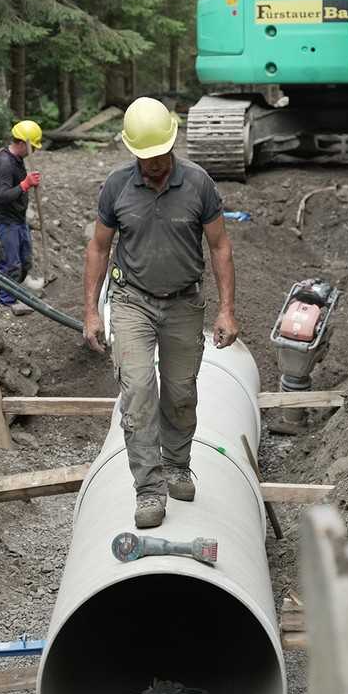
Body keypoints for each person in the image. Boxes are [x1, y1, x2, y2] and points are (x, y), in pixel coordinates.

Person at [83, 96, 239, 529]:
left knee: (181, 393)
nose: (154, 164)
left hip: (185, 303)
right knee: (137, 393)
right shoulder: (116, 187)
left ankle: (177, 464)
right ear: (133, 151)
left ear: (172, 144)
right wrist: (92, 313)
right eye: (145, 156)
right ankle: (149, 489)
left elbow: (220, 245)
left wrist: (226, 310)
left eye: (160, 154)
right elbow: (98, 247)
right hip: (132, 300)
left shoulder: (199, 184)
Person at [0, 120, 43, 317]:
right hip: (6, 221)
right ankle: (7, 300)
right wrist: (25, 184)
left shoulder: (18, 159)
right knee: (11, 263)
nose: (34, 152)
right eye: (33, 147)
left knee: (25, 258)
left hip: (18, 218)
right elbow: (3, 195)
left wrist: (27, 182)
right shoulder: (4, 163)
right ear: (22, 143)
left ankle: (18, 288)